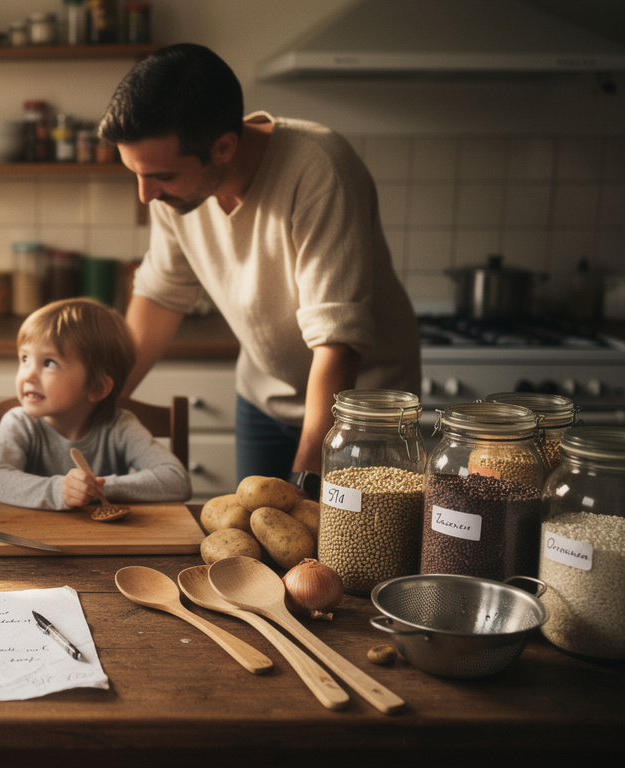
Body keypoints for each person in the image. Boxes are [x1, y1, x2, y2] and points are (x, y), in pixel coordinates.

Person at [98, 43, 421, 496]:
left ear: (224, 147)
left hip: (363, 414)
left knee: (332, 557)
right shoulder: (173, 187)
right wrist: (100, 407)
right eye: (136, 173)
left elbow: (338, 344)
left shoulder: (319, 169)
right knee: (255, 552)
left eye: (161, 177)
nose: (145, 195)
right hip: (263, 400)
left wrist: (305, 479)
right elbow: (161, 294)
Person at [0, 298, 191, 511]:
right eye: (25, 359)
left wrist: (97, 487)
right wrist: (59, 491)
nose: (28, 375)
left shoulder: (120, 426)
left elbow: (177, 480)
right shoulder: (18, 423)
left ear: (96, 387)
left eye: (49, 363)